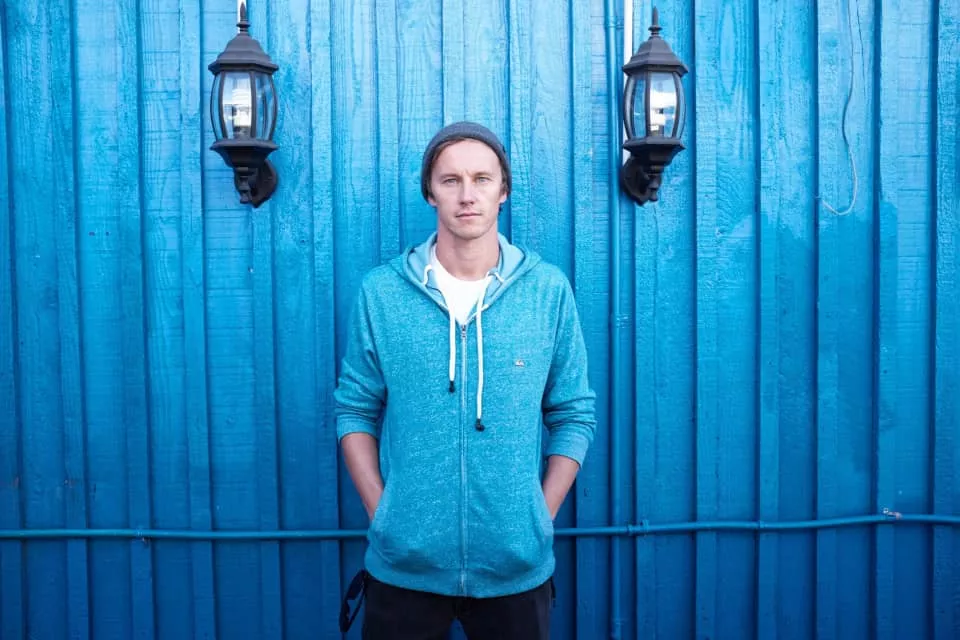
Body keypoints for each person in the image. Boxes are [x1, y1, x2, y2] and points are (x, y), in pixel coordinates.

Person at [335, 121, 597, 639]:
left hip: (515, 570)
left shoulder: (547, 292)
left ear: (504, 190)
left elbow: (573, 413)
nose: (467, 195)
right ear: (430, 192)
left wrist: (537, 518)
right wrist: (382, 514)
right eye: (450, 180)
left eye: (482, 178)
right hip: (403, 569)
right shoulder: (382, 293)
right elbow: (355, 408)